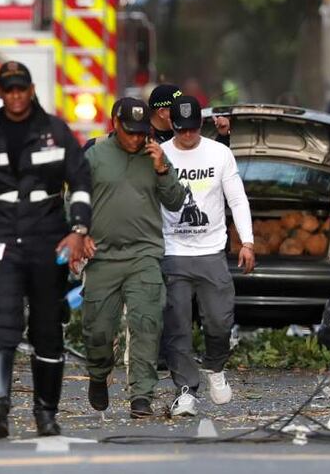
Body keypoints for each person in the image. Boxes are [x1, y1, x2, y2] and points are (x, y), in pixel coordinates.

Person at [0, 61, 91, 439]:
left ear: (32, 90)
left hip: (48, 240)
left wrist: (79, 230)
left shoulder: (55, 131)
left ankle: (45, 413)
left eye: (21, 89)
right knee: (2, 322)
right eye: (8, 90)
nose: (15, 96)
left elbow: (80, 182)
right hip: (2, 240)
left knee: (48, 329)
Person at [80, 98, 186, 418]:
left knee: (146, 323)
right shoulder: (94, 154)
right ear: (115, 123)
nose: (137, 139)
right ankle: (98, 374)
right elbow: (75, 200)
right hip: (103, 256)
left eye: (141, 133)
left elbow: (176, 201)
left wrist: (163, 169)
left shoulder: (155, 155)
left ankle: (142, 395)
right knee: (98, 330)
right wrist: (79, 233)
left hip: (144, 255)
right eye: (130, 132)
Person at [160, 95, 254, 416]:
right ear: (172, 126)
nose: (188, 135)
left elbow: (237, 201)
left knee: (219, 320)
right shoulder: (160, 156)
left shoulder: (219, 154)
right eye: (182, 129)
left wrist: (248, 242)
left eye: (193, 129)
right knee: (177, 326)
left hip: (212, 251)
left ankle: (215, 366)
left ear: (201, 124)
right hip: (173, 252)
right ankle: (186, 389)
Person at [149, 84, 230, 145]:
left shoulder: (189, 128)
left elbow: (209, 161)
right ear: (161, 112)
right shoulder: (143, 139)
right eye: (178, 108)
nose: (184, 112)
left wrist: (223, 136)